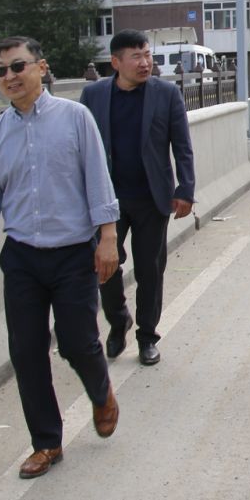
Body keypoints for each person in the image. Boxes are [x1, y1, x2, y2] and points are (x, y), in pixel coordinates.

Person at [0, 36, 121, 479]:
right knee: (26, 351)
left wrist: (108, 237)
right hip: (21, 257)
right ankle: (46, 442)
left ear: (41, 67)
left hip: (73, 253)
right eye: (1, 71)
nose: (10, 77)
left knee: (78, 343)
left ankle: (101, 393)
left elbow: (97, 179)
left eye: (18, 66)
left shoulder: (75, 118)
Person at [80, 29, 196, 366]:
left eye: (147, 55)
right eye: (136, 57)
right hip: (107, 201)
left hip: (152, 198)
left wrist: (185, 189)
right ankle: (119, 321)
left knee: (150, 270)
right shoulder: (93, 95)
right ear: (116, 62)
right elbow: (80, 148)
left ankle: (147, 337)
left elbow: (182, 145)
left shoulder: (166, 93)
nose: (145, 63)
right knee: (105, 267)